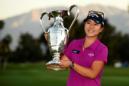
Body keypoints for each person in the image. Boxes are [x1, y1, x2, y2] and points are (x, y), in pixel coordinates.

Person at [59, 10, 108, 86]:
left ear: (101, 29)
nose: (91, 27)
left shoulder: (102, 49)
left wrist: (71, 64)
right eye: (88, 23)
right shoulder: (74, 43)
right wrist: (55, 43)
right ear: (84, 24)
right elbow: (63, 62)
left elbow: (92, 74)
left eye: (95, 24)